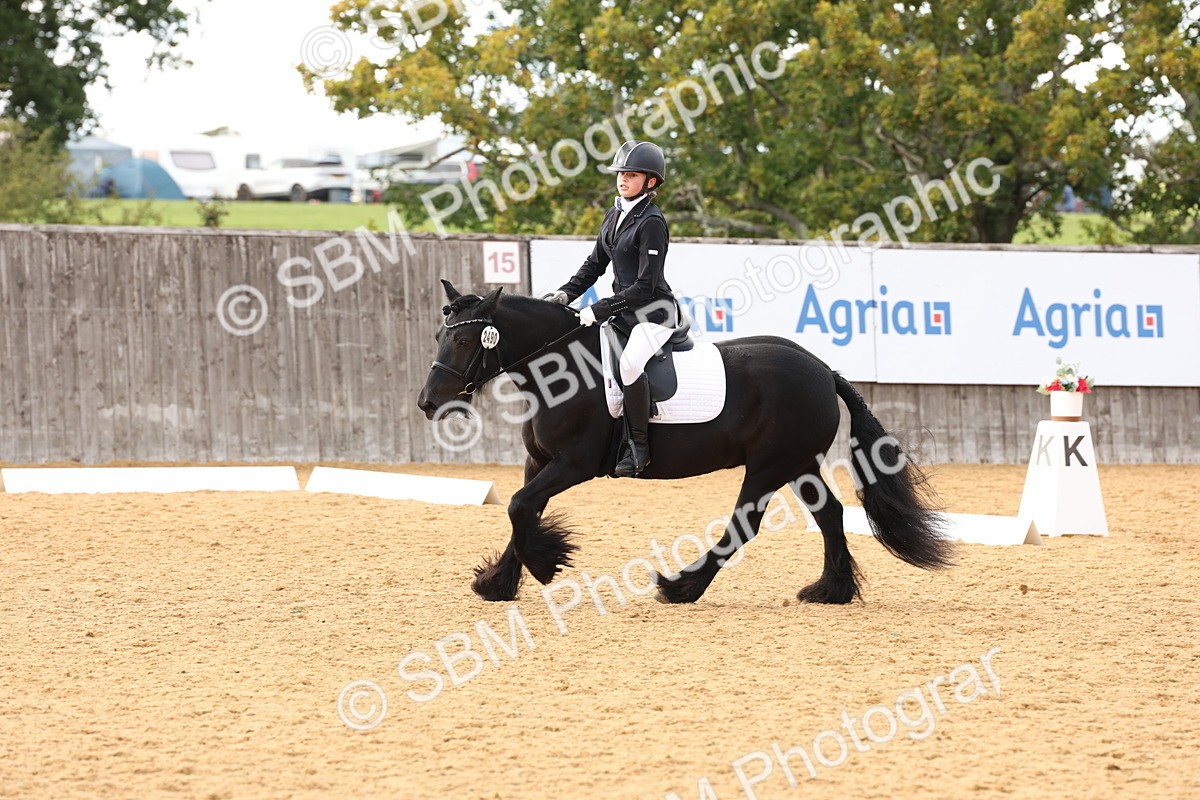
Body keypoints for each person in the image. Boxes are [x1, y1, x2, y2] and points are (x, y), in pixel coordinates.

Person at [542, 140, 676, 477]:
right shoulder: (615, 213)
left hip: (654, 313)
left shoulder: (652, 222)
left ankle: (638, 448)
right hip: (624, 314)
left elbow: (645, 286)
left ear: (651, 182)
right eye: (621, 174)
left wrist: (599, 309)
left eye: (631, 175)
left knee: (630, 366)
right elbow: (594, 264)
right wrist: (565, 294)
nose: (623, 180)